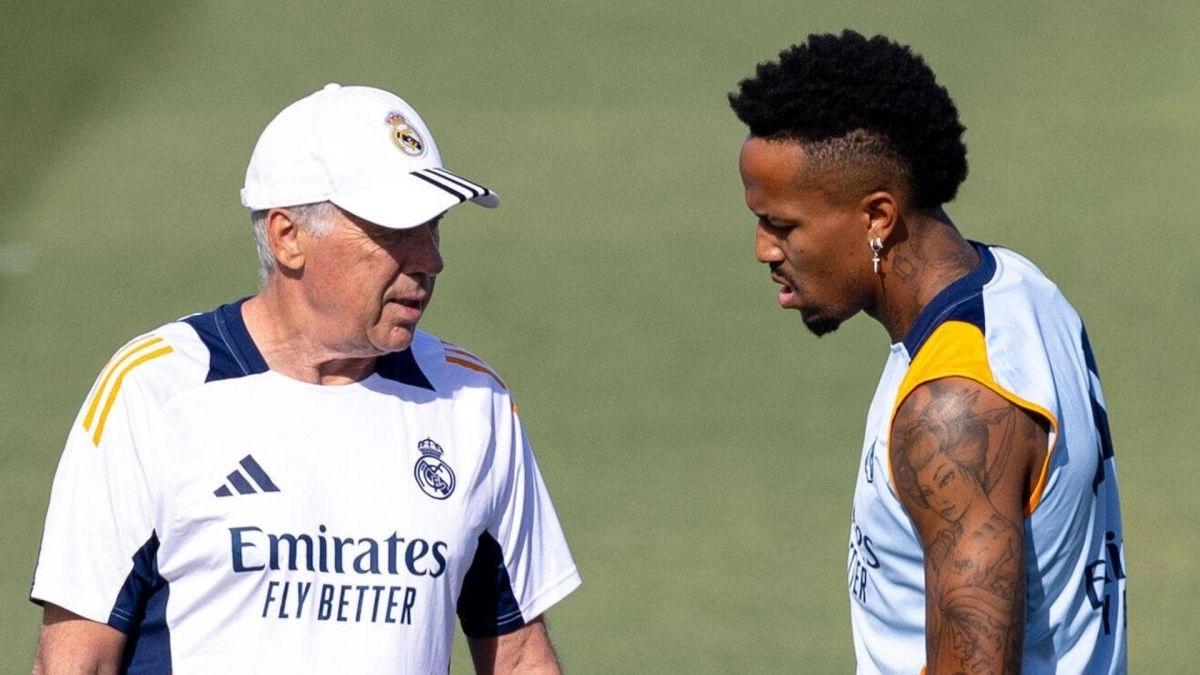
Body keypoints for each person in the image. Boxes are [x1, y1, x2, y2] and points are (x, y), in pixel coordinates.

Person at [30, 83, 581, 674]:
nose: (430, 258)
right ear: (288, 236)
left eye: (435, 227)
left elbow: (521, 658)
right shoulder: (154, 391)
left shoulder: (473, 402)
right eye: (396, 232)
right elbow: (74, 662)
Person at [729, 31, 1126, 674]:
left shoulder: (954, 409)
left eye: (782, 225)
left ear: (878, 216)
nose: (764, 250)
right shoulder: (1020, 286)